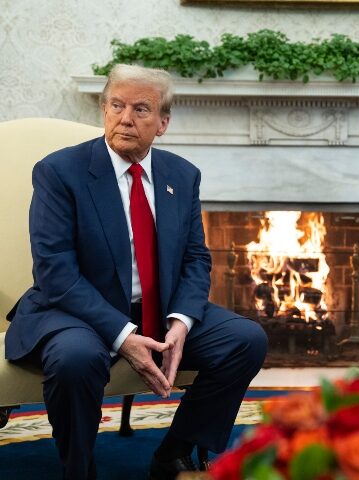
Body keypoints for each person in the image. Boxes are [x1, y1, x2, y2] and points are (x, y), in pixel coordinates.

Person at [4, 64, 267, 480]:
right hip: (72, 309)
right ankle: (79, 469)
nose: (125, 118)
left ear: (163, 123)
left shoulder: (182, 174)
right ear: (104, 110)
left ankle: (174, 453)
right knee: (76, 358)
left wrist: (181, 322)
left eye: (141, 109)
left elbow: (196, 258)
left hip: (155, 306)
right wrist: (124, 336)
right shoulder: (60, 172)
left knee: (245, 339)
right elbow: (55, 272)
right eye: (116, 106)